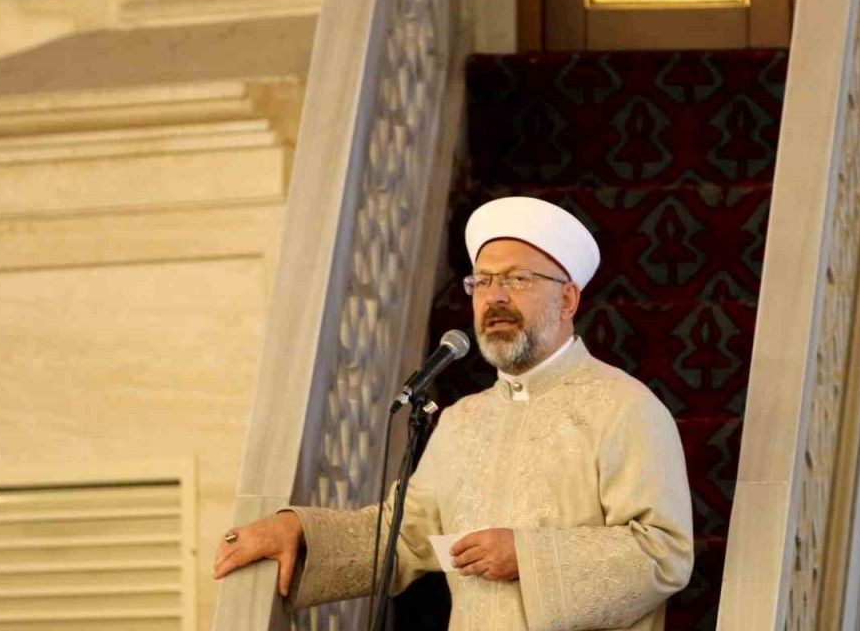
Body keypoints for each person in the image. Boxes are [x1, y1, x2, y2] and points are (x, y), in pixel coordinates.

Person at [213, 196, 693, 630]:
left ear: (567, 299)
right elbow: (406, 536)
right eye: (482, 281)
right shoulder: (463, 420)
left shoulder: (624, 408)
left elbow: (664, 553)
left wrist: (530, 556)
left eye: (517, 279)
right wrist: (299, 530)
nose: (495, 297)